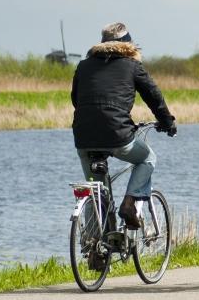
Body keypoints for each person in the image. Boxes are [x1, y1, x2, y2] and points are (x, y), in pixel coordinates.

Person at [72, 22, 176, 229]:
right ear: (128, 45)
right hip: (117, 134)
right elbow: (153, 96)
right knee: (148, 158)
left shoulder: (83, 65)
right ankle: (129, 203)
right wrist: (167, 121)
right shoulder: (132, 66)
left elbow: (76, 99)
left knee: (96, 189)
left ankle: (97, 249)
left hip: (83, 136)